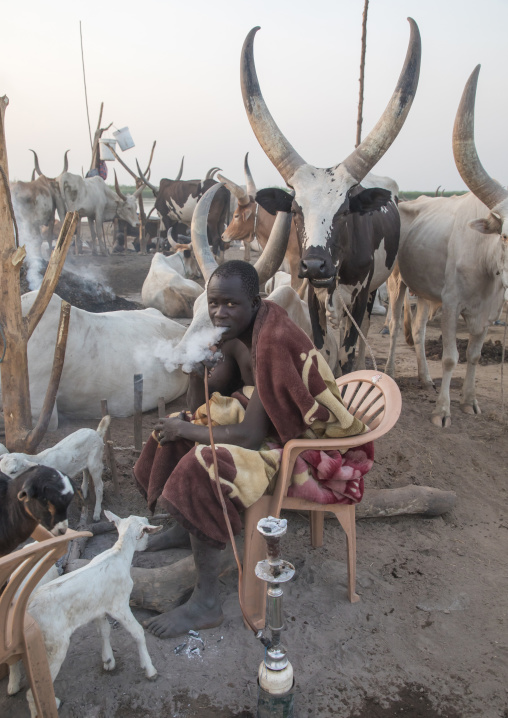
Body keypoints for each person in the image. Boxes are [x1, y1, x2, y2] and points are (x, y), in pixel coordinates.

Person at [134, 260, 371, 639]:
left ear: (255, 301)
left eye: (230, 304)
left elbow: (249, 436)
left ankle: (206, 603)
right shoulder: (231, 334)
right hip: (261, 425)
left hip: (299, 441)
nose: (219, 312)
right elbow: (204, 407)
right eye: (213, 303)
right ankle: (186, 527)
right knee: (179, 428)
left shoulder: (272, 340)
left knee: (205, 465)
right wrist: (196, 371)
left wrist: (189, 428)